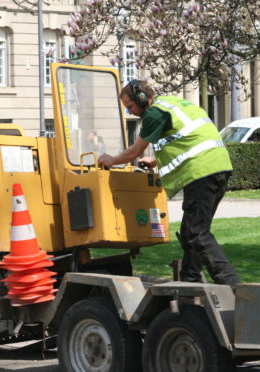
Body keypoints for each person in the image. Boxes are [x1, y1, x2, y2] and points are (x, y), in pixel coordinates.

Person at [98, 79, 241, 288]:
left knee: (197, 233)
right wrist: (155, 160)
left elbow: (135, 151)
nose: (130, 112)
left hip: (201, 173)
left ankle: (234, 286)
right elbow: (185, 138)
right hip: (217, 168)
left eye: (130, 106)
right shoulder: (172, 104)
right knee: (190, 233)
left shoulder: (154, 113)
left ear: (141, 98)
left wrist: (111, 160)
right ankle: (190, 283)